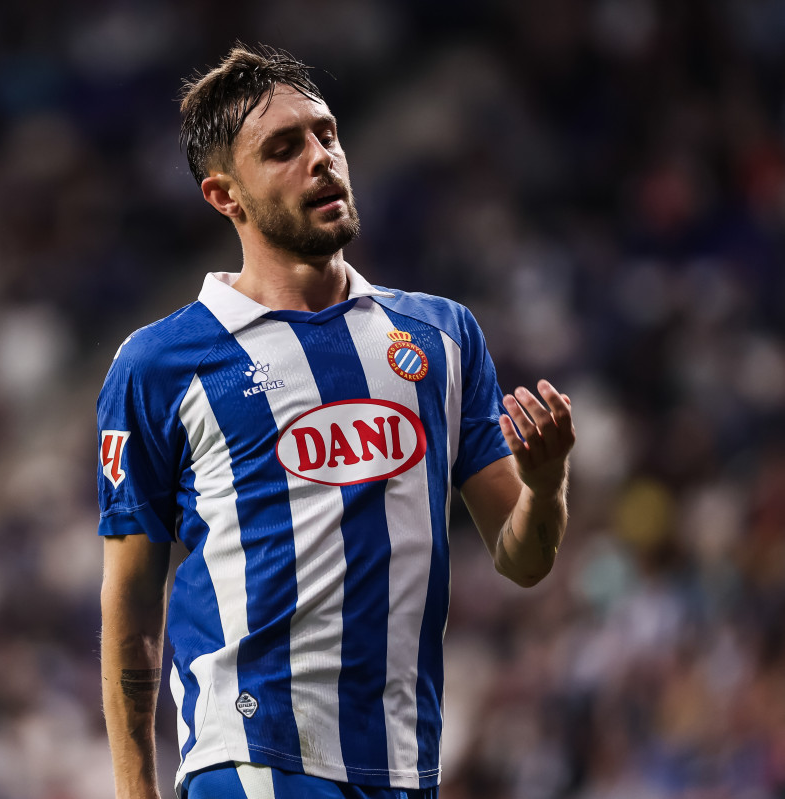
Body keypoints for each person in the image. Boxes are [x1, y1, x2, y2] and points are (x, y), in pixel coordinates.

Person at [97, 43, 575, 799]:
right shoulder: (161, 363)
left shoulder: (441, 337)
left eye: (326, 134)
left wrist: (545, 487)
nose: (320, 159)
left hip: (402, 764)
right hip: (253, 756)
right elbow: (130, 607)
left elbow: (523, 559)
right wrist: (135, 790)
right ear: (226, 197)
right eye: (283, 149)